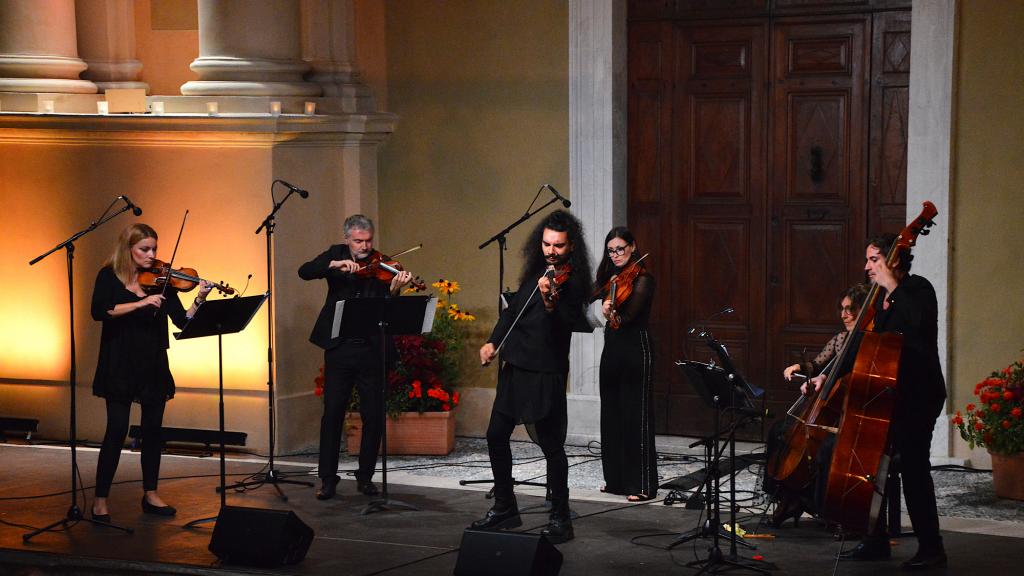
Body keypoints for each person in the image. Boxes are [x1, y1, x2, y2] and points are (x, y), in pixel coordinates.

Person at [811, 234, 946, 570]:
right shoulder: (879, 302)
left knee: (915, 469)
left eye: (874, 260)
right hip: (886, 397)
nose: (867, 266)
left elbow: (918, 326)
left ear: (894, 260)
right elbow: (861, 345)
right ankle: (875, 539)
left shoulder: (918, 290)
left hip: (919, 396)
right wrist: (829, 375)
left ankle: (932, 548)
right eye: (868, 260)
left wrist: (892, 287)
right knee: (871, 467)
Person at [473, 209, 592, 544]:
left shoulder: (573, 284)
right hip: (516, 369)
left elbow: (566, 323)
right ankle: (505, 507)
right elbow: (512, 312)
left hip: (545, 373)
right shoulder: (536, 272)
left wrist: (551, 301)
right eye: (546, 243)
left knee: (551, 447)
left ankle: (560, 518)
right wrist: (492, 341)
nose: (551, 251)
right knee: (496, 435)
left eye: (558, 246)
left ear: (571, 247)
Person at [90, 223, 213, 521]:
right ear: (128, 249)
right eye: (144, 249)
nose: (152, 255)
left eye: (154, 249)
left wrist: (199, 299)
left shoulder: (163, 280)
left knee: (153, 432)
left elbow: (182, 322)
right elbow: (100, 311)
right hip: (120, 361)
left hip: (153, 363)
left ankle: (151, 493)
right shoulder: (109, 276)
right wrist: (140, 303)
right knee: (116, 430)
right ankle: (100, 499)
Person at [298, 214, 412, 501]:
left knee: (373, 414)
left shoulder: (381, 263)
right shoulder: (335, 255)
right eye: (358, 241)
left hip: (372, 348)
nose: (364, 246)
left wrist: (395, 290)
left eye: (368, 240)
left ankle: (365, 477)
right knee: (333, 413)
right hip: (340, 347)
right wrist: (333, 265)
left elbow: (387, 309)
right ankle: (327, 478)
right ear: (347, 238)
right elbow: (305, 271)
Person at [765, 283, 869, 526]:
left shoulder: (867, 344)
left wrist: (829, 380)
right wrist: (801, 370)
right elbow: (818, 364)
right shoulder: (840, 339)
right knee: (779, 431)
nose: (844, 315)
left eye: (850, 309)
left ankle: (821, 507)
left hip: (849, 415)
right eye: (842, 309)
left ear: (863, 310)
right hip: (826, 414)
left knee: (824, 450)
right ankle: (784, 496)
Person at [592, 227, 657, 502]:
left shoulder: (644, 279)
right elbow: (593, 297)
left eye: (620, 249)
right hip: (613, 346)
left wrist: (612, 309)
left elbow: (629, 316)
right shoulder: (610, 278)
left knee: (635, 416)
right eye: (611, 251)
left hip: (636, 348)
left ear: (632, 247)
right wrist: (603, 307)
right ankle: (616, 481)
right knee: (611, 414)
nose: (616, 254)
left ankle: (642, 484)